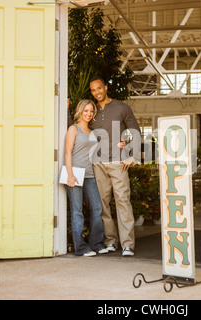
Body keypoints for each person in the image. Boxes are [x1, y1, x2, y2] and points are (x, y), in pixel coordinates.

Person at [89, 76, 141, 257]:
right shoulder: (92, 111)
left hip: (118, 163)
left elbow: (136, 131)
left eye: (99, 88)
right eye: (93, 90)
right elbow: (80, 130)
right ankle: (110, 241)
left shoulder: (122, 108)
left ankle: (127, 244)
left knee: (122, 201)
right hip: (99, 163)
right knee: (103, 203)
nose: (97, 92)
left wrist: (132, 156)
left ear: (106, 86)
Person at [65, 99, 108, 257]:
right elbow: (67, 152)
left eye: (91, 111)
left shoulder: (92, 132)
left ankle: (96, 244)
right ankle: (81, 248)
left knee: (97, 208)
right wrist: (70, 174)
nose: (89, 114)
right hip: (75, 174)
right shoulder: (73, 129)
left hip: (90, 174)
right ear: (80, 112)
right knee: (77, 211)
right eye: (86, 111)